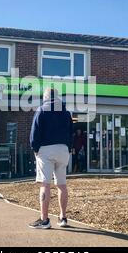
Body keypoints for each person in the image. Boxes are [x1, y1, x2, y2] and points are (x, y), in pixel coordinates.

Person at [29, 88, 73, 229]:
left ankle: (45, 220)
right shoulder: (66, 113)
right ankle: (63, 217)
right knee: (62, 185)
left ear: (46, 97)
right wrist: (68, 147)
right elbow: (71, 131)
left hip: (46, 150)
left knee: (45, 184)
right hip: (63, 150)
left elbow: (35, 132)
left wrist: (35, 149)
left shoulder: (42, 110)